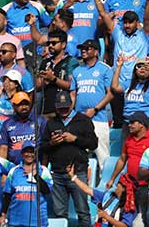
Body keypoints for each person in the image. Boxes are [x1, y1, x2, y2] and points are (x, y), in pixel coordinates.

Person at [41, 91, 98, 227]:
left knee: (83, 211)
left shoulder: (83, 120)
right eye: (61, 107)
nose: (64, 110)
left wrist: (75, 139)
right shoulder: (51, 123)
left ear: (71, 104)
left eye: (66, 106)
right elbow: (43, 146)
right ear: (56, 106)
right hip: (57, 173)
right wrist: (52, 143)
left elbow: (93, 143)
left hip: (77, 173)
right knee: (60, 213)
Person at [105, 112, 149, 226]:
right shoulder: (129, 139)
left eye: (133, 122)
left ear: (141, 124)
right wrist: (112, 178)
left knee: (145, 217)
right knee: (127, 215)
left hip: (145, 186)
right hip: (130, 186)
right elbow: (122, 159)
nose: (129, 125)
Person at [69, 39, 113, 164]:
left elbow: (110, 94)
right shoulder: (77, 71)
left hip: (98, 117)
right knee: (80, 155)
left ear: (96, 51)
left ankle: (104, 182)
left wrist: (95, 109)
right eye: (82, 48)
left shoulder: (105, 69)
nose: (83, 51)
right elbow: (73, 94)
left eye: (87, 48)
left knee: (102, 156)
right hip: (79, 119)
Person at [1, 141, 53, 227]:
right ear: (22, 153)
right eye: (26, 151)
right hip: (15, 222)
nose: (29, 154)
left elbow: (47, 191)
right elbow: (7, 196)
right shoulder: (14, 171)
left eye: (32, 152)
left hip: (38, 222)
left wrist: (35, 175)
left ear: (36, 153)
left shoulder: (43, 171)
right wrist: (3, 215)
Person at [67, 165, 137, 227]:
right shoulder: (107, 196)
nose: (116, 184)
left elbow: (125, 225)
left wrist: (107, 217)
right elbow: (87, 189)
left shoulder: (129, 206)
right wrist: (73, 177)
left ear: (124, 188)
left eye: (119, 183)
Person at [0, 91, 46, 165]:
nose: (24, 107)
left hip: (36, 168)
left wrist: (43, 167)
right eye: (20, 105)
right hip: (14, 168)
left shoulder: (40, 121)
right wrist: (3, 168)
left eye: (26, 104)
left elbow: (46, 145)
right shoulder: (7, 124)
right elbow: (4, 148)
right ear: (14, 106)